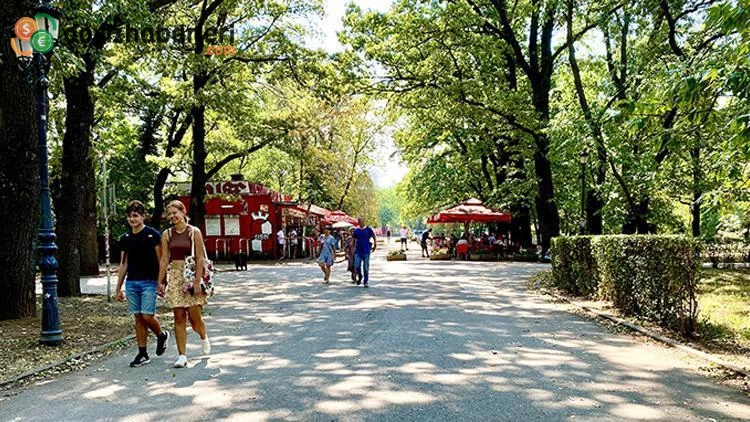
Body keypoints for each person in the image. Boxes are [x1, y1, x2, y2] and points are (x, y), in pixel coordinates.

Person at [116, 200, 170, 368]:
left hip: (149, 281)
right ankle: (142, 353)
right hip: (132, 282)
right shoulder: (125, 238)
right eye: (130, 216)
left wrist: (162, 281)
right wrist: (118, 287)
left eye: (136, 216)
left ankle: (161, 335)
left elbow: (162, 259)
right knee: (138, 318)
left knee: (147, 315)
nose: (132, 219)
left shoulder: (153, 235)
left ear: (143, 216)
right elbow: (123, 264)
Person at [158, 200, 210, 369]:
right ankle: (182, 355)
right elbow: (164, 259)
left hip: (190, 276)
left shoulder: (193, 232)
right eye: (169, 214)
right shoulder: (167, 234)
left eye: (175, 213)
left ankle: (202, 335)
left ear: (183, 212)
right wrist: (160, 281)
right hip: (174, 275)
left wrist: (197, 281)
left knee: (195, 319)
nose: (172, 216)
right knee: (178, 316)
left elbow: (200, 258)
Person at [352, 217, 377, 287]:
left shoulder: (368, 229)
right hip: (358, 251)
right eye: (359, 221)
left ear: (364, 221)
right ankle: (360, 276)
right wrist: (352, 248)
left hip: (366, 250)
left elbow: (373, 236)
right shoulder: (356, 230)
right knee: (357, 266)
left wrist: (375, 244)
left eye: (361, 221)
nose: (360, 222)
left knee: (366, 267)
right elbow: (353, 239)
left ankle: (366, 281)